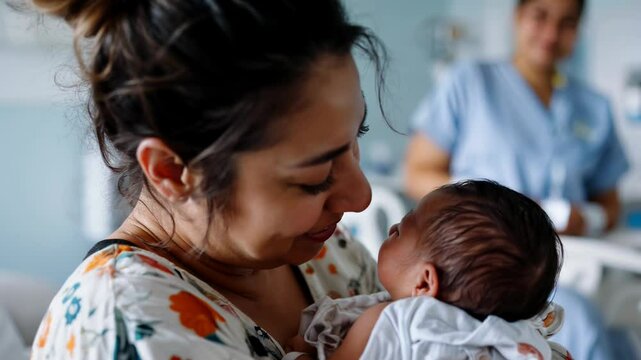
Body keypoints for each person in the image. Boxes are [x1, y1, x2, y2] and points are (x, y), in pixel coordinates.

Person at [29, 0, 388, 359]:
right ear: (172, 171)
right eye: (315, 177)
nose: (361, 197)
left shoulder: (333, 257)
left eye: (357, 137)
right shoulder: (129, 329)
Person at [404, 0, 630, 359]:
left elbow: (610, 201)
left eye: (567, 23)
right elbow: (418, 171)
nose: (552, 33)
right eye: (540, 16)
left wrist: (587, 218)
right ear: (518, 17)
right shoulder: (471, 83)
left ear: (578, 31)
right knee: (581, 324)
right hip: (482, 259)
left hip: (569, 260)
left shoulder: (594, 107)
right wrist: (492, 212)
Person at [289, 180, 571, 360]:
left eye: (400, 231)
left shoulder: (392, 322)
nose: (391, 229)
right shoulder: (514, 337)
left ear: (424, 283)